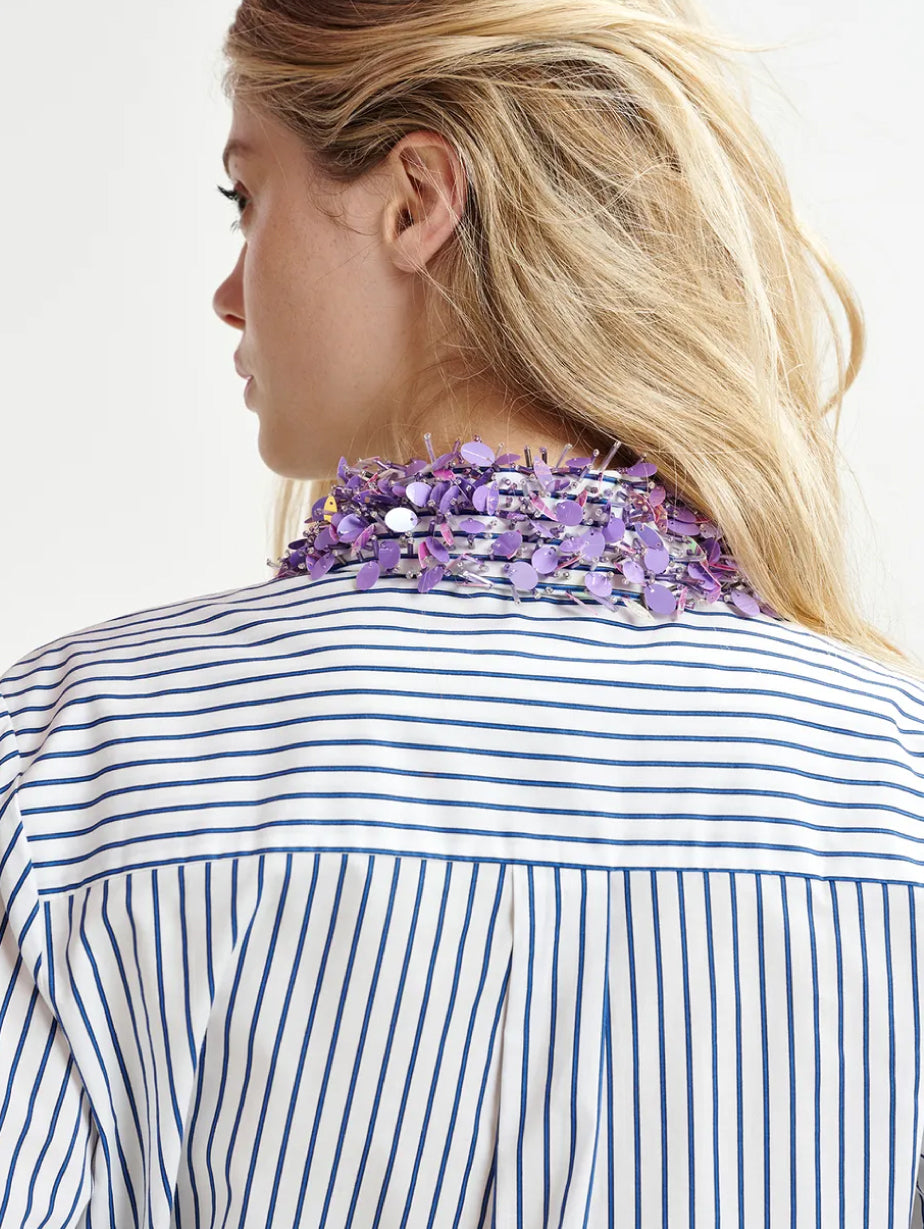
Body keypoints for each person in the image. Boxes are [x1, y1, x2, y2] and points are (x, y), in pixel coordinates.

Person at [2, 0, 923, 1224]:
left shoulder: (71, 758)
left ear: (415, 200)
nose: (229, 291)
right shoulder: (894, 785)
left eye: (246, 197)